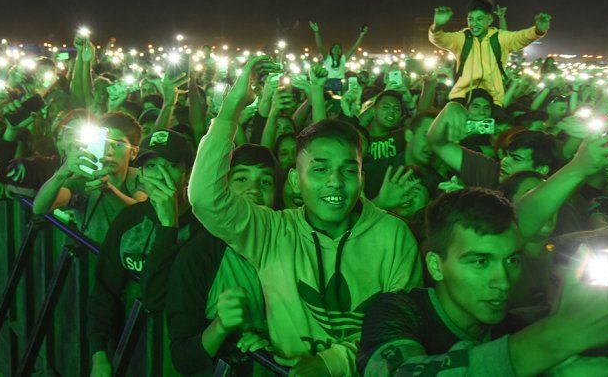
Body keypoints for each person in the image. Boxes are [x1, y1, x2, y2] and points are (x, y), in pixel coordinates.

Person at [189, 55, 422, 376]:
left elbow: (401, 329)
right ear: (296, 179)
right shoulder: (272, 232)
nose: (335, 182)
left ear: (362, 178)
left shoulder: (394, 235)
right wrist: (231, 108)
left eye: (348, 170)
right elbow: (204, 198)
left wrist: (330, 362)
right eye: (320, 169)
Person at [358, 188, 608, 376]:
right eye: (480, 261)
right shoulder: (398, 311)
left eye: (512, 261)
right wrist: (554, 339)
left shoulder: (514, 327)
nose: (502, 281)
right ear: (436, 266)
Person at [88, 128, 200, 376]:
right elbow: (104, 289)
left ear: (187, 173)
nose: (159, 176)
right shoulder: (129, 221)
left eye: (170, 165)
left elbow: (157, 299)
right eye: (150, 167)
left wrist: (168, 226)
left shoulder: (204, 227)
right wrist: (98, 354)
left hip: (179, 360)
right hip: (130, 351)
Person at [166, 144, 278, 375]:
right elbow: (183, 359)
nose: (254, 190)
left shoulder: (290, 247)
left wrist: (271, 342)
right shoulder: (198, 256)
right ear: (223, 188)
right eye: (241, 179)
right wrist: (221, 326)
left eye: (265, 181)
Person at [32, 111, 146, 242]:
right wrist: (62, 173)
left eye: (119, 144)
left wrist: (108, 190)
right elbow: (39, 208)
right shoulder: (84, 179)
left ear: (134, 152)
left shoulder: (140, 176)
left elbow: (140, 215)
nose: (109, 151)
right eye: (104, 143)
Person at [429, 0, 552, 104]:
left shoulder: (501, 38)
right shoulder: (462, 37)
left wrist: (538, 30)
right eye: (470, 19)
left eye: (479, 19)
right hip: (461, 97)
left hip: (493, 99)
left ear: (489, 20)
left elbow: (523, 36)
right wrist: (437, 25)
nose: (474, 24)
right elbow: (439, 38)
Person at [427, 101, 558, 189]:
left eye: (516, 158)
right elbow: (438, 143)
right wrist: (451, 107)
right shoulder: (490, 172)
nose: (505, 161)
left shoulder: (550, 200)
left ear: (541, 170)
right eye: (506, 155)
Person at [309, 21, 369, 92]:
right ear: (331, 50)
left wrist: (362, 35)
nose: (337, 49)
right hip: (328, 83)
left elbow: (354, 48)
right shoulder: (327, 58)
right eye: (335, 48)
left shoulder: (343, 59)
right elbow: (320, 46)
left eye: (339, 48)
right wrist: (316, 32)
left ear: (341, 51)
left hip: (340, 84)